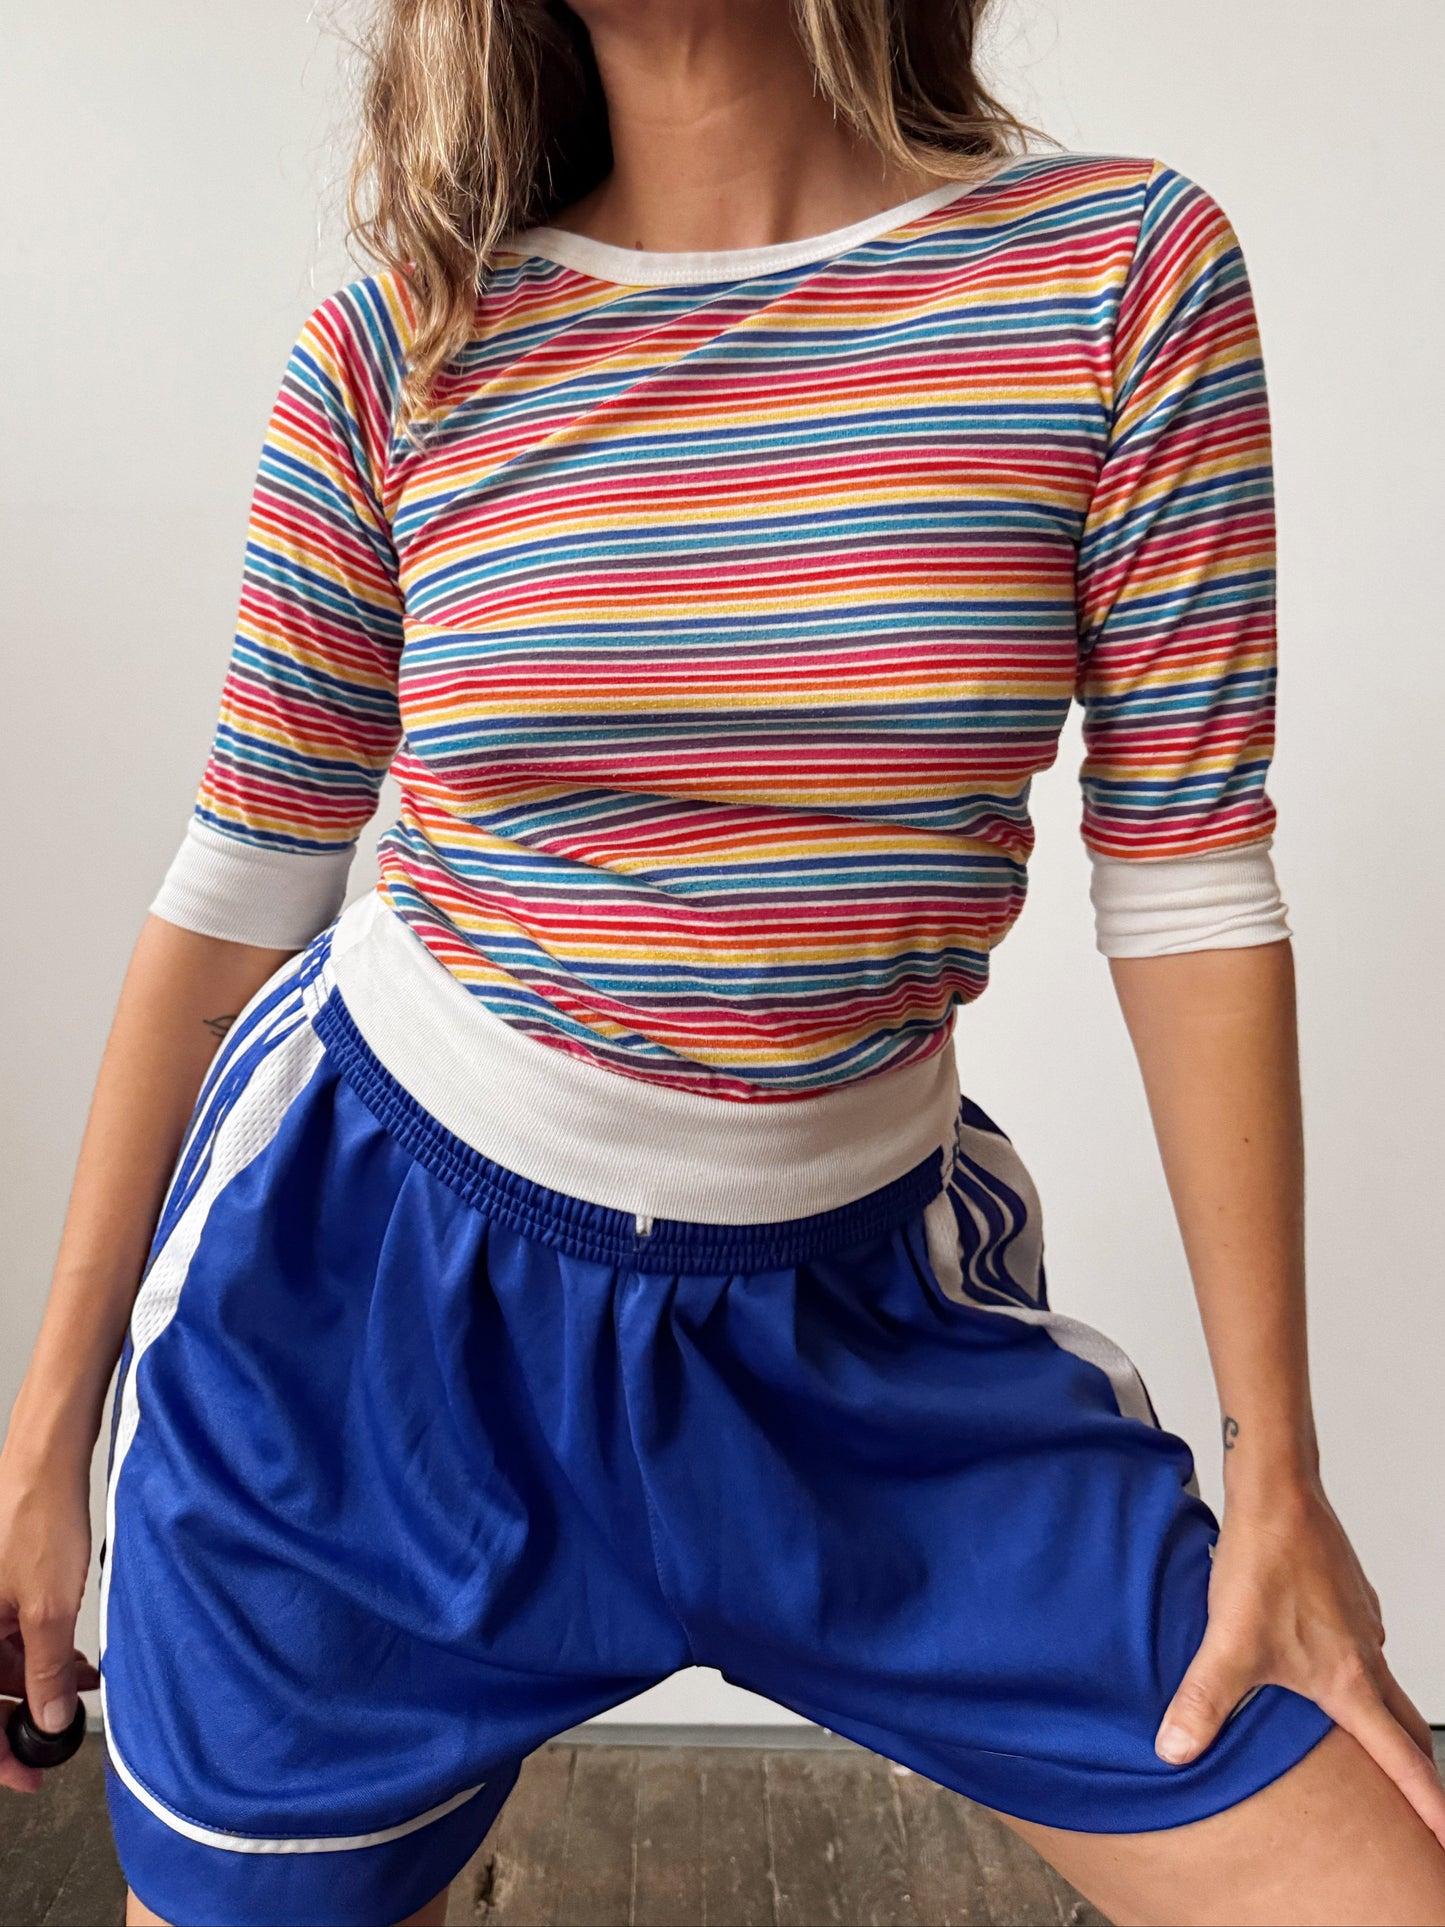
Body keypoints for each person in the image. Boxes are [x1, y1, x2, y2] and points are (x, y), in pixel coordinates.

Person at [3, 2, 1443, 1923]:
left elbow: (1185, 876)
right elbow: (240, 886)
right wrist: (43, 1447)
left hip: (860, 1337)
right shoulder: (400, 347)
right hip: (366, 1343)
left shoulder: (1113, 274)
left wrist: (1279, 1474)